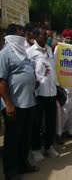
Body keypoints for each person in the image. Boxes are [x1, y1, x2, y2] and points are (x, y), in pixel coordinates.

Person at [0, 24, 39, 180]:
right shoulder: (4, 54)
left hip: (29, 102)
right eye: (20, 34)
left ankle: (23, 165)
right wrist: (9, 104)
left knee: (25, 137)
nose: (23, 36)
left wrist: (34, 82)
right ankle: (11, 172)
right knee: (12, 139)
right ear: (11, 36)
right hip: (14, 105)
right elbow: (1, 82)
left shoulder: (24, 53)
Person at [27, 27, 59, 162]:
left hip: (52, 92)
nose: (46, 36)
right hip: (39, 94)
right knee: (37, 123)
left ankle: (49, 146)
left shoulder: (49, 49)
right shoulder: (29, 52)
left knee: (51, 122)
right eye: (43, 35)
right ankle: (35, 149)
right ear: (35, 37)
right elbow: (29, 71)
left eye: (46, 35)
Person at [57, 29, 72, 139]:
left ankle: (71, 130)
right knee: (64, 111)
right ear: (63, 38)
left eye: (71, 38)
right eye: (67, 38)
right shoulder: (59, 49)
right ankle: (60, 132)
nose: (69, 40)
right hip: (65, 86)